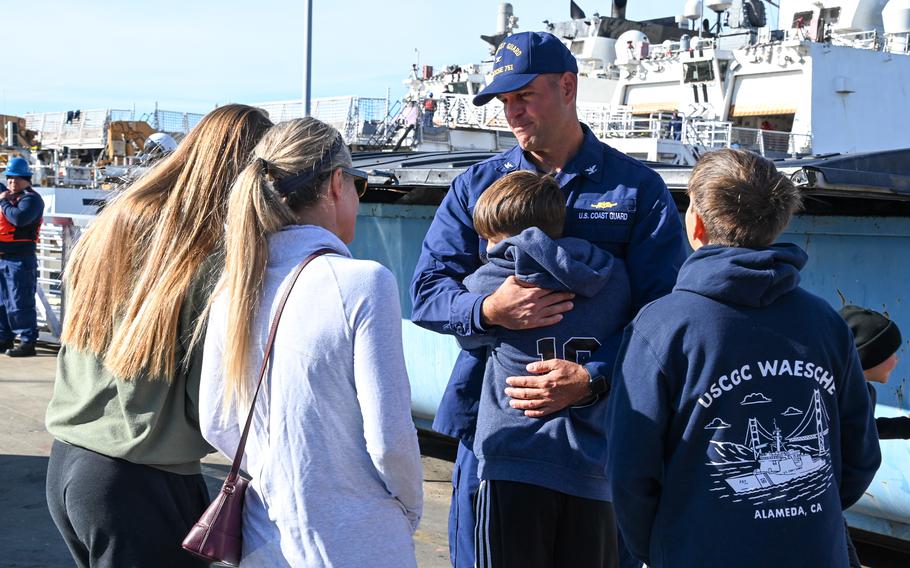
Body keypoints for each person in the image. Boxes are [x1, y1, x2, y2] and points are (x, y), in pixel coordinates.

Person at [410, 30, 687, 568]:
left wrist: (593, 376)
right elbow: (426, 291)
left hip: (600, 437)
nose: (512, 112)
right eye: (504, 101)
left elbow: (664, 313)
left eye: (524, 96)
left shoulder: (636, 191)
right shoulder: (475, 187)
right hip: (497, 433)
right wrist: (488, 309)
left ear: (567, 86)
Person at [605, 149, 882, 568]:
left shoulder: (661, 327)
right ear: (780, 221)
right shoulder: (824, 322)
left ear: (695, 223)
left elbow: (629, 471)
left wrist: (664, 546)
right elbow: (860, 455)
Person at [45, 104, 273, 568]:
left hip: (69, 465)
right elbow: (209, 402)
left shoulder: (115, 220)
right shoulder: (210, 254)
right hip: (142, 480)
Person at [198, 117, 423, 567]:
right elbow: (390, 439)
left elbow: (215, 420)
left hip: (265, 538)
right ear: (337, 183)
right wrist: (407, 508)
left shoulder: (235, 286)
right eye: (358, 182)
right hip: (357, 539)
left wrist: (274, 470)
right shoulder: (363, 283)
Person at [461, 170, 630, 567]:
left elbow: (466, 335)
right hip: (590, 469)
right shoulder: (615, 278)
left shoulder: (491, 282)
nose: (485, 249)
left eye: (490, 238)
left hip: (513, 459)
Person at [838, 305, 909, 568]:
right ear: (869, 357)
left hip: (831, 508)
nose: (897, 360)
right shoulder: (839, 396)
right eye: (891, 353)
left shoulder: (856, 390)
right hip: (823, 508)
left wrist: (904, 427)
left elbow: (863, 429)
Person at [0, 156, 44, 357]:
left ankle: (27, 342)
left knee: (20, 300)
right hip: (3, 257)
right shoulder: (9, 197)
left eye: (17, 179)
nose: (12, 182)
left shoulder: (31, 199)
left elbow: (18, 218)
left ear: (27, 179)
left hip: (20, 259)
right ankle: (4, 338)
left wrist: (4, 202)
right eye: (9, 178)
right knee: (2, 302)